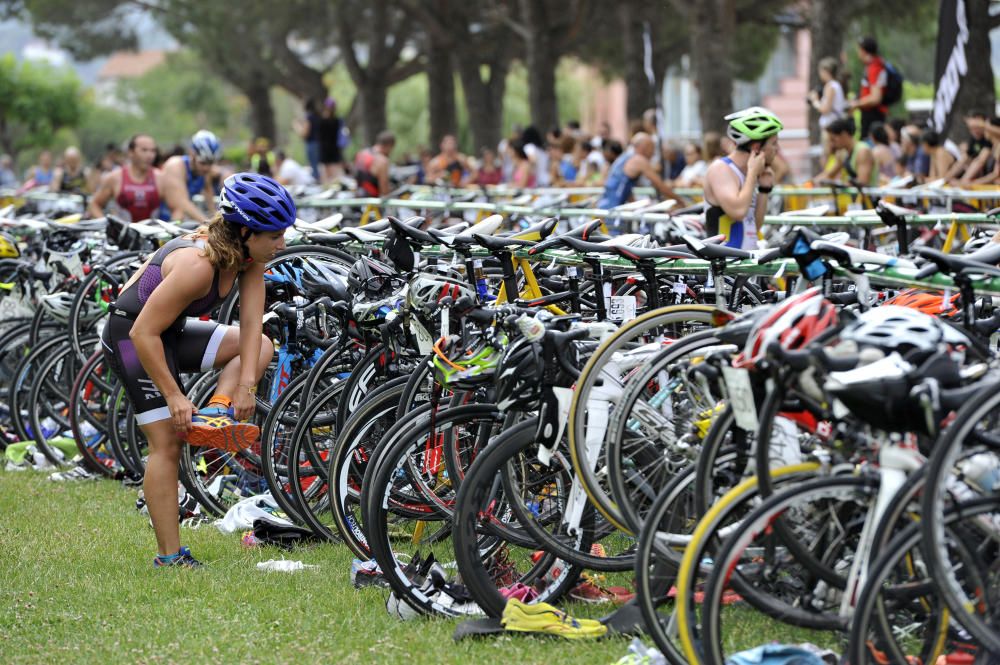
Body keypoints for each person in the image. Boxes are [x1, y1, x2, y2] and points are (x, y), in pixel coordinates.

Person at [101, 172, 291, 568]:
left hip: (168, 331)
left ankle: (217, 413)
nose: (281, 243)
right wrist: (174, 395)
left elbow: (253, 327)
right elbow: (142, 331)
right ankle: (169, 557)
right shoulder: (198, 265)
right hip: (131, 337)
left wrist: (245, 387)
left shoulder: (248, 259)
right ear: (244, 231)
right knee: (167, 443)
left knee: (262, 346)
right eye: (274, 235)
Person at [703, 107, 783, 250]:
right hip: (724, 265)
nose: (777, 149)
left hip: (744, 264)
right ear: (757, 147)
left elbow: (753, 226)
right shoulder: (721, 169)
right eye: (774, 143)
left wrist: (764, 190)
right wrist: (752, 173)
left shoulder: (746, 175)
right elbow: (738, 212)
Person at [88, 134, 164, 222]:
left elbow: (179, 208)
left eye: (153, 151)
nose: (150, 155)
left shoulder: (161, 178)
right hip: (123, 234)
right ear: (131, 152)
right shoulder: (115, 177)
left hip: (152, 234)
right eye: (144, 150)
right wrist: (107, 225)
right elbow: (94, 205)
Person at [596, 132, 681, 209]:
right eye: (652, 148)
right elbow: (660, 185)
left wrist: (637, 206)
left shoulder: (626, 156)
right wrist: (679, 201)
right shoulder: (639, 160)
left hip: (606, 206)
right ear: (644, 147)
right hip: (612, 209)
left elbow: (624, 188)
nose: (653, 153)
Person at [160, 130, 223, 222]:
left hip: (180, 218)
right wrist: (208, 223)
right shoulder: (175, 165)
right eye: (203, 163)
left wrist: (215, 216)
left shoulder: (204, 171)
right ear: (192, 154)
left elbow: (208, 191)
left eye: (210, 163)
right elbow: (182, 203)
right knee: (179, 213)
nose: (206, 168)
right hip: (163, 219)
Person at [814, 117, 878, 188]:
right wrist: (811, 183)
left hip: (869, 197)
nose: (832, 144)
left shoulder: (862, 151)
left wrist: (842, 185)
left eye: (833, 140)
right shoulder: (843, 153)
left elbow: (862, 181)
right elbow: (829, 174)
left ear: (844, 134)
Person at [849, 36, 888, 138]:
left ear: (863, 51)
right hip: (870, 113)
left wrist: (856, 104)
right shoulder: (873, 65)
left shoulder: (875, 67)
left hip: (873, 114)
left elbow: (876, 98)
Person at [809, 57, 847, 132]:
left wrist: (815, 101)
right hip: (835, 124)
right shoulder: (837, 85)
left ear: (826, 71)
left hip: (830, 127)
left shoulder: (830, 86)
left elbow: (825, 109)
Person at [354, 131, 395, 196]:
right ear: (389, 146)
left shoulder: (361, 153)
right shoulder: (382, 161)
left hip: (358, 198)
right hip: (372, 202)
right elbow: (384, 191)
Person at [293, 98, 322, 182]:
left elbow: (305, 133)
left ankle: (316, 183)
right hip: (319, 144)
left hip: (311, 144)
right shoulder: (318, 117)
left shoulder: (309, 117)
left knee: (314, 167)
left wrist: (296, 126)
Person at [317, 97, 344, 182]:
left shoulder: (322, 120)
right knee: (333, 173)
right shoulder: (336, 120)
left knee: (326, 174)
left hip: (326, 148)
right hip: (333, 148)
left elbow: (320, 135)